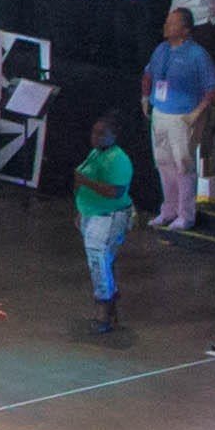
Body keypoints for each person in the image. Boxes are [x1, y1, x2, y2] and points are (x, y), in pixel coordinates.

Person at [145, 7, 215, 234]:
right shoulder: (161, 50)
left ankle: (186, 214)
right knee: (163, 163)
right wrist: (145, 97)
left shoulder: (197, 55)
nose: (167, 25)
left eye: (173, 23)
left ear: (185, 30)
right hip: (160, 112)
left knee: (183, 165)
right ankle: (168, 209)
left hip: (182, 116)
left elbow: (213, 87)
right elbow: (148, 74)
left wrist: (197, 113)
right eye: (167, 21)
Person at [71, 113, 138, 336]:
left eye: (102, 134)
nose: (96, 137)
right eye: (94, 132)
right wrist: (81, 211)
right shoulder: (97, 153)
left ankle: (104, 309)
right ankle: (110, 303)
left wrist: (85, 182)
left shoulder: (117, 159)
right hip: (93, 215)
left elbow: (114, 191)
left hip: (109, 217)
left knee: (98, 262)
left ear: (114, 136)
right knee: (101, 262)